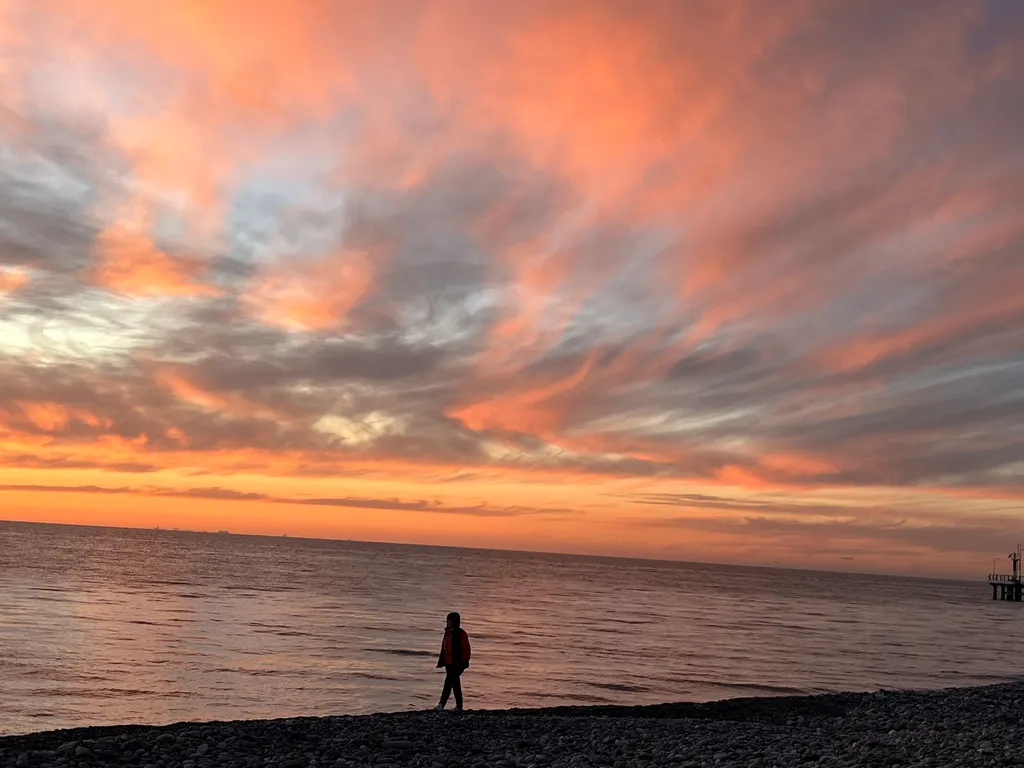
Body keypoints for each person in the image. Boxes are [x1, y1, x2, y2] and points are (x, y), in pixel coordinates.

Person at [435, 611, 471, 711]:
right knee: (455, 684)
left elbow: (466, 648)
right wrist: (442, 660)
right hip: (449, 663)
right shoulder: (448, 632)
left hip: (458, 663)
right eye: (448, 620)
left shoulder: (460, 633)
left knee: (448, 683)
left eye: (451, 620)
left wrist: (465, 661)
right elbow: (445, 648)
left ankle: (441, 704)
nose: (449, 622)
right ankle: (459, 706)